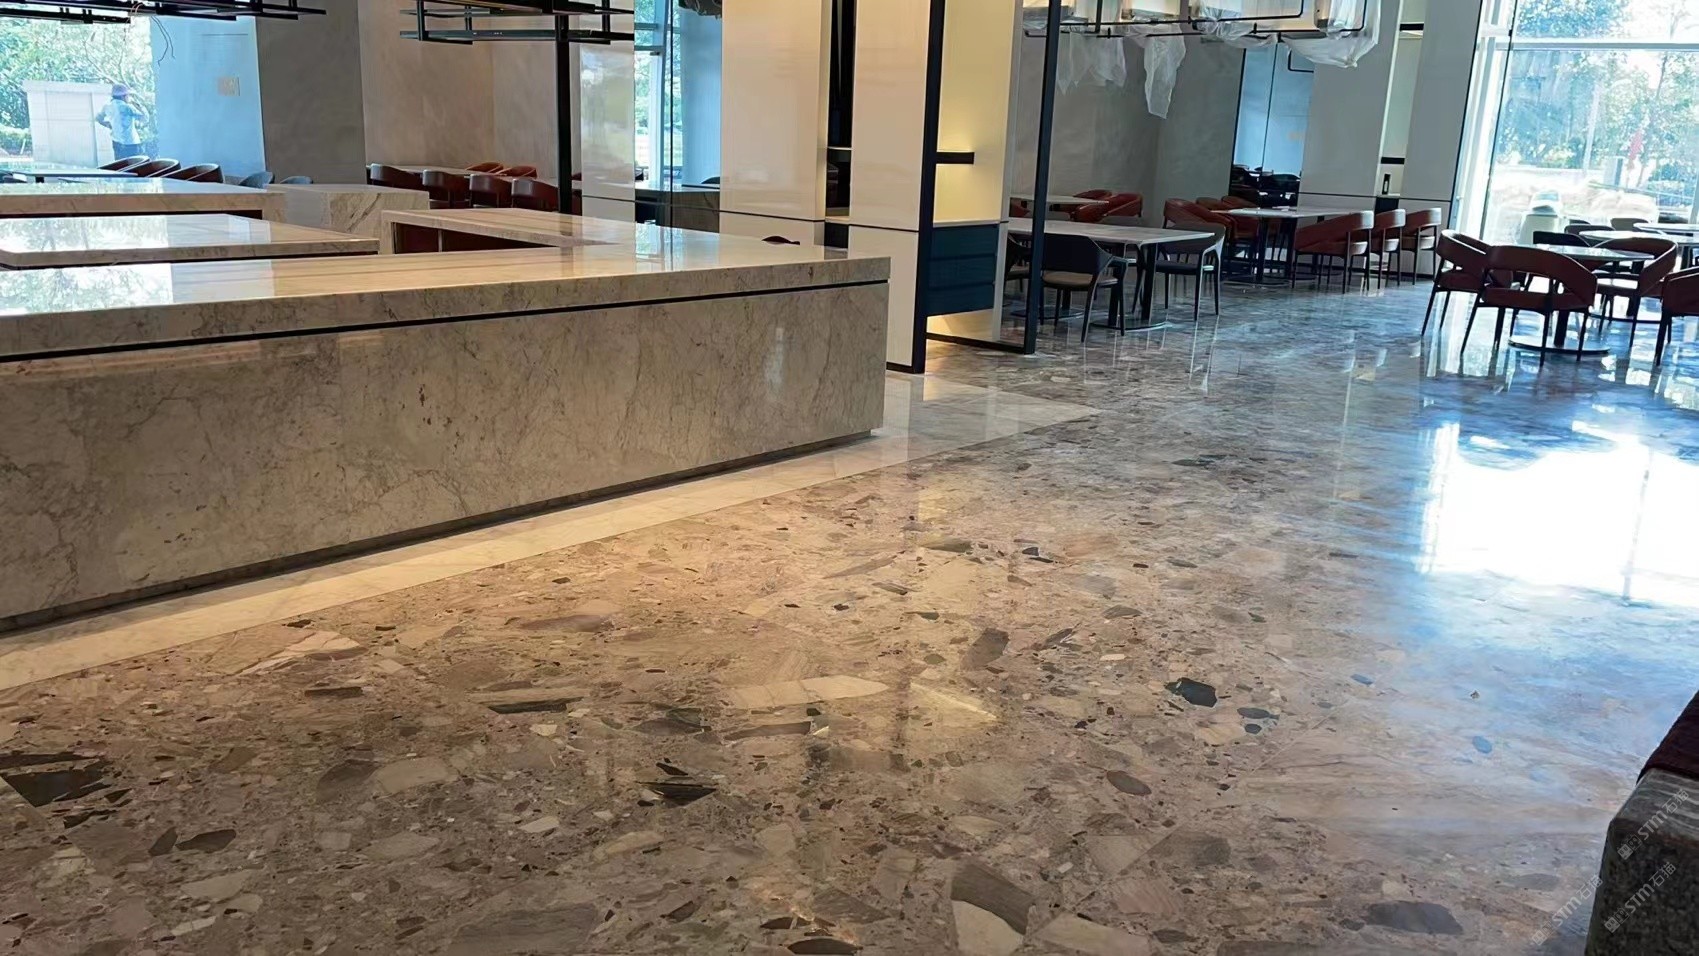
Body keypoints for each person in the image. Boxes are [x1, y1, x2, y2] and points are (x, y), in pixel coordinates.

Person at [95, 85, 148, 161]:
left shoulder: (107, 107)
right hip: (131, 143)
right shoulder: (128, 107)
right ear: (124, 96)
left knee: (120, 165)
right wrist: (140, 107)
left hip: (116, 143)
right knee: (135, 166)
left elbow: (98, 118)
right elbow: (145, 118)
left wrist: (108, 125)